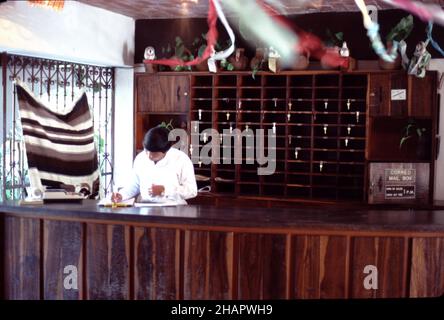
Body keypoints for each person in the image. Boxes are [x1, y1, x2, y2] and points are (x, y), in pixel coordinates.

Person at [112, 125, 197, 204]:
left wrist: (165, 190)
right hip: (145, 209)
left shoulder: (181, 159)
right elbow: (134, 185)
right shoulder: (140, 158)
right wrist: (122, 195)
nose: (149, 155)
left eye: (154, 153)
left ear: (166, 150)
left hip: (173, 210)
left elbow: (192, 191)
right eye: (146, 150)